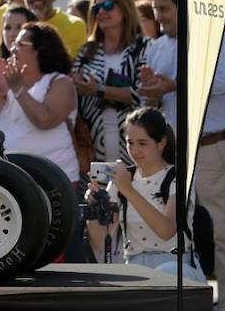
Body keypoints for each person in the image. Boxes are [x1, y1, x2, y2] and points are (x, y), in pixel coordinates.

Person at [138, 0, 225, 309]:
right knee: (177, 232)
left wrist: (171, 85)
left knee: (220, 230)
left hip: (209, 148)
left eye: (165, 9)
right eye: (155, 10)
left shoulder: (213, 38)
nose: (160, 17)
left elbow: (224, 81)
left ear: (183, 7)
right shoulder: (157, 46)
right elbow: (159, 100)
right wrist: (152, 93)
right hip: (173, 153)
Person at [0, 21, 83, 259]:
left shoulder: (60, 82)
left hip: (54, 183)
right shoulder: (10, 81)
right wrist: (2, 92)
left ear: (40, 49)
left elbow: (45, 120)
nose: (12, 46)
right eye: (11, 42)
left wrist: (19, 90)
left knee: (50, 251)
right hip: (11, 181)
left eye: (20, 43)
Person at [84, 107, 206, 281]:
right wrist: (96, 208)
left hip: (177, 265)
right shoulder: (123, 179)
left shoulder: (178, 178)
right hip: (135, 267)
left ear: (161, 143)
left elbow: (167, 230)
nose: (134, 150)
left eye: (142, 143)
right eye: (130, 142)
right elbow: (99, 240)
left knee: (167, 274)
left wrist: (128, 190)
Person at [73, 0, 147, 165]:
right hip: (93, 145)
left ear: (125, 7)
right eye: (96, 8)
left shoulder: (144, 47)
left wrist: (98, 89)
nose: (101, 12)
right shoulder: (87, 51)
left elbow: (143, 95)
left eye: (107, 6)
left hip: (134, 147)